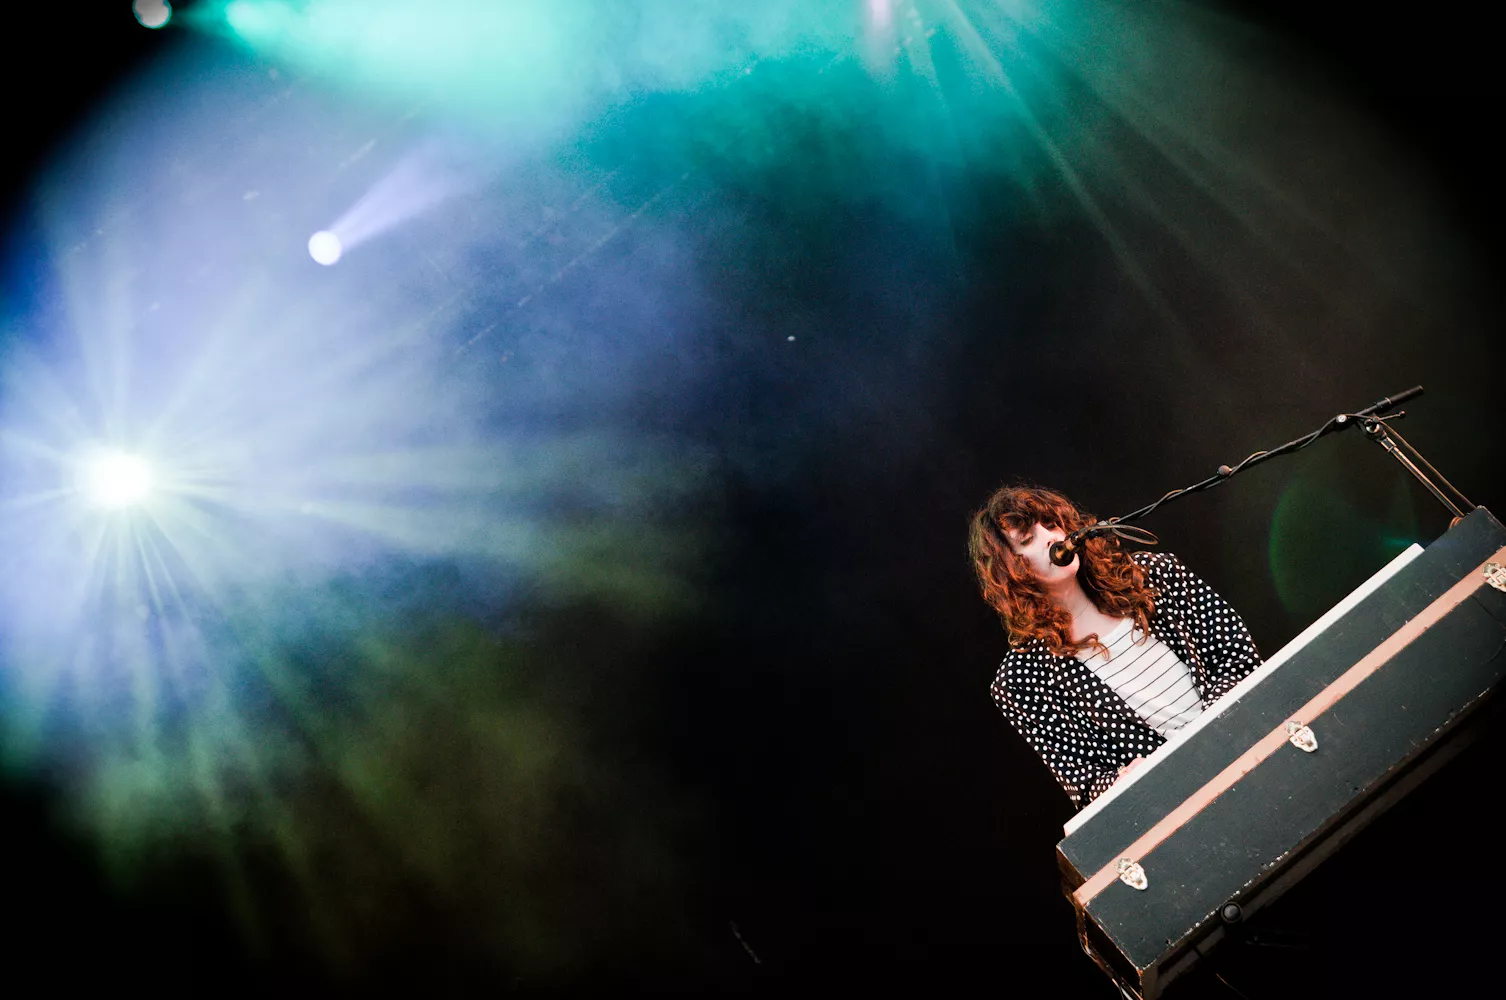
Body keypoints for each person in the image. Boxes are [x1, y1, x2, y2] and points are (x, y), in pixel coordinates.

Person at [968, 484, 1261, 809]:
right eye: (1027, 540)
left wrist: (1212, 734)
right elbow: (1083, 781)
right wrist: (1122, 780)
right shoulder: (1021, 680)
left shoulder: (1153, 574)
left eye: (1051, 524)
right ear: (1007, 570)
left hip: (1251, 738)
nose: (1051, 537)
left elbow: (1238, 657)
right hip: (1183, 801)